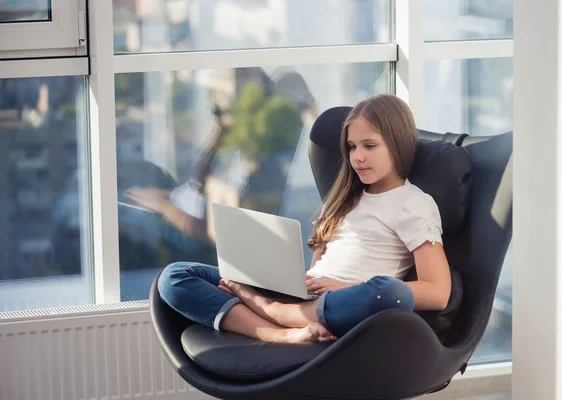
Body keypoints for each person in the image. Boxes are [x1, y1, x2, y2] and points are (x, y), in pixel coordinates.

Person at [157, 94, 451, 344]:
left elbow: (438, 292)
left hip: (349, 302)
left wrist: (344, 287)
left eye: (369, 146)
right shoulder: (343, 198)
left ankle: (270, 311)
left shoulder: (413, 204)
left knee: (390, 292)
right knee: (174, 278)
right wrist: (285, 280)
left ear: (398, 144)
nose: (357, 157)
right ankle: (279, 333)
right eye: (352, 147)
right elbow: (316, 270)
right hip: (306, 299)